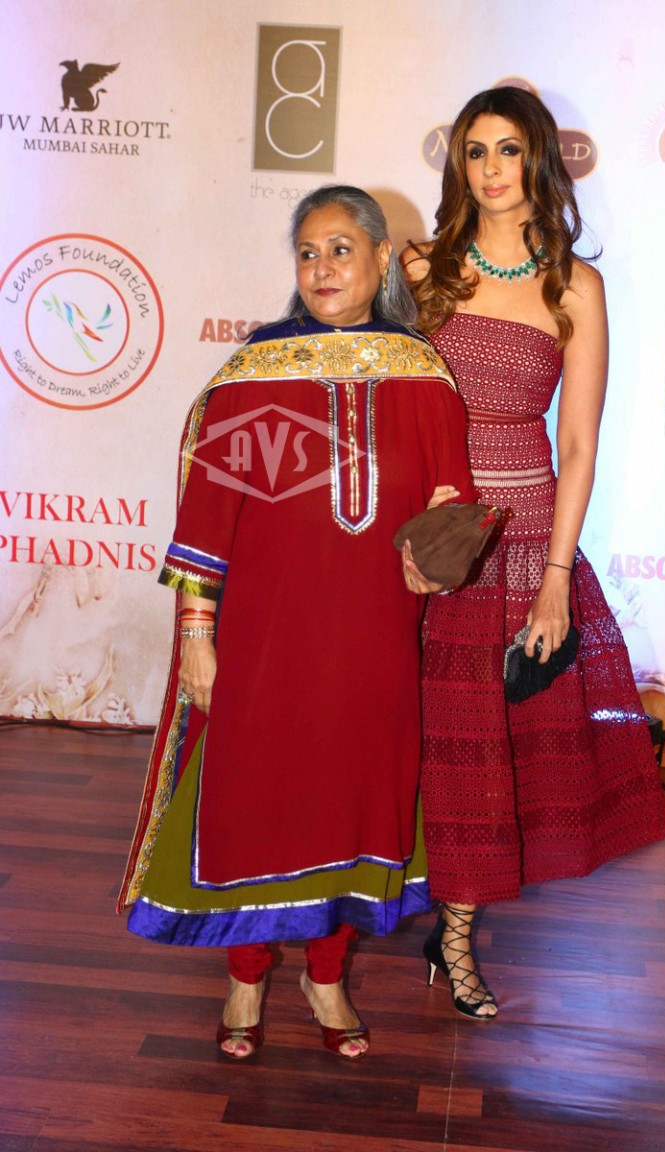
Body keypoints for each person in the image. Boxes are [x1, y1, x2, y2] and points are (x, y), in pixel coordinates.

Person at [119, 185, 475, 1060]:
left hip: (372, 644)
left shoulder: (423, 376)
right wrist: (197, 635)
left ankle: (326, 976)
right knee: (253, 805)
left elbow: (450, 501)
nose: (322, 269)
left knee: (354, 807)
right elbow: (208, 519)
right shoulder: (256, 375)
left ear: (382, 258)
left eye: (341, 249)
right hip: (266, 642)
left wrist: (440, 553)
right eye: (308, 253)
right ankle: (245, 978)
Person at [401, 87, 665, 1019]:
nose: (491, 169)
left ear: (538, 160)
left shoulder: (575, 287)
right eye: (475, 151)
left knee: (487, 754)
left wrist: (556, 579)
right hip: (423, 544)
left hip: (519, 549)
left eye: (508, 149)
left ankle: (456, 940)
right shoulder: (420, 269)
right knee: (411, 743)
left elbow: (580, 446)